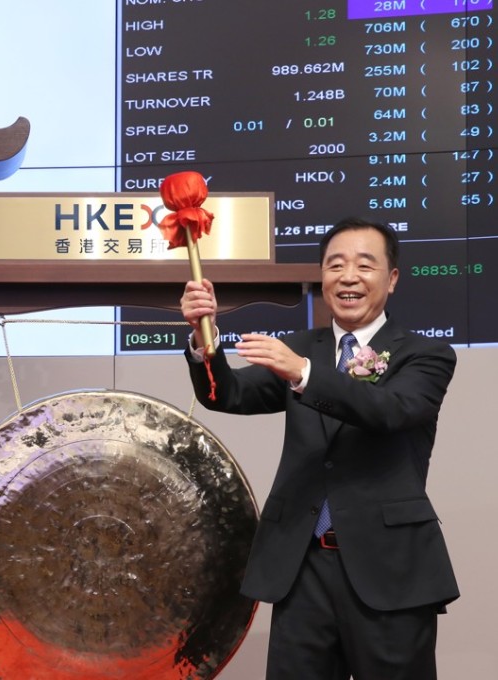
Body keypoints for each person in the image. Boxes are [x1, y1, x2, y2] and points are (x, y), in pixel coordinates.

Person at [179, 216, 458, 680]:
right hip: (302, 567)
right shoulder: (301, 347)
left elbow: (391, 410)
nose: (348, 277)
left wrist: (305, 374)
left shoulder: (425, 354)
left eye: (364, 266)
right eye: (335, 265)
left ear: (391, 279)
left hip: (390, 570)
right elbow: (224, 393)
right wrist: (201, 337)